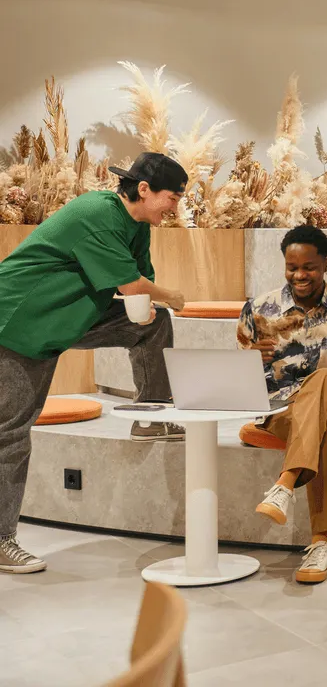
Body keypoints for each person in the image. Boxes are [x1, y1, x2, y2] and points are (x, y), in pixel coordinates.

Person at [0, 152, 189, 575]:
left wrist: (150, 307)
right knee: (10, 433)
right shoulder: (97, 213)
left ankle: (150, 415)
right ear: (144, 189)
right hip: (19, 321)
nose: (176, 206)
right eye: (173, 196)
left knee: (151, 327)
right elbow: (132, 283)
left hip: (71, 316)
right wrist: (172, 295)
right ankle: (0, 540)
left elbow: (137, 285)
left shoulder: (139, 224)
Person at [237, 225, 327, 585]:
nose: (300, 275)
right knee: (326, 426)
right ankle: (322, 542)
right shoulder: (258, 309)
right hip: (278, 411)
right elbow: (239, 384)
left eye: (309, 267)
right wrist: (251, 361)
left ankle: (285, 484)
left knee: (322, 380)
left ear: (326, 265)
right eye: (292, 267)